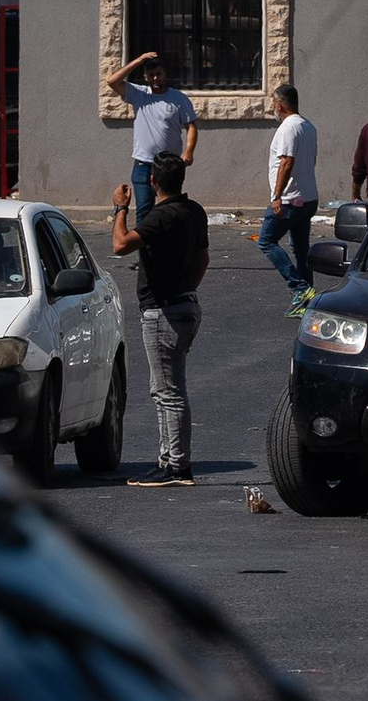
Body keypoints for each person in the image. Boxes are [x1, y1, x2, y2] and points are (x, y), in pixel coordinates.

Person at [111, 152, 209, 487]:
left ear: (153, 182)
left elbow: (120, 244)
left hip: (163, 312)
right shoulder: (194, 211)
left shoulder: (159, 217)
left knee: (168, 392)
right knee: (166, 389)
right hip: (185, 305)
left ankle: (177, 467)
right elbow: (203, 258)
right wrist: (186, 289)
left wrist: (121, 208)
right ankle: (169, 461)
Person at [106, 52, 198, 223]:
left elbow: (191, 126)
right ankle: (146, 248)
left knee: (172, 209)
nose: (155, 78)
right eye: (151, 74)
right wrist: (139, 60)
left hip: (169, 165)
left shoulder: (178, 98)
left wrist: (189, 151)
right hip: (144, 165)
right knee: (144, 212)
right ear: (145, 76)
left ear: (165, 75)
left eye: (158, 74)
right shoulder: (139, 94)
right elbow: (112, 81)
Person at [258, 83, 319, 318]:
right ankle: (307, 301)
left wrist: (277, 195)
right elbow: (310, 160)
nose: (273, 107)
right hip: (307, 197)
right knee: (300, 248)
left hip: (289, 199)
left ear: (280, 104)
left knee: (266, 241)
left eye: (274, 103)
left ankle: (300, 287)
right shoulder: (308, 126)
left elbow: (286, 162)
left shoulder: (288, 128)